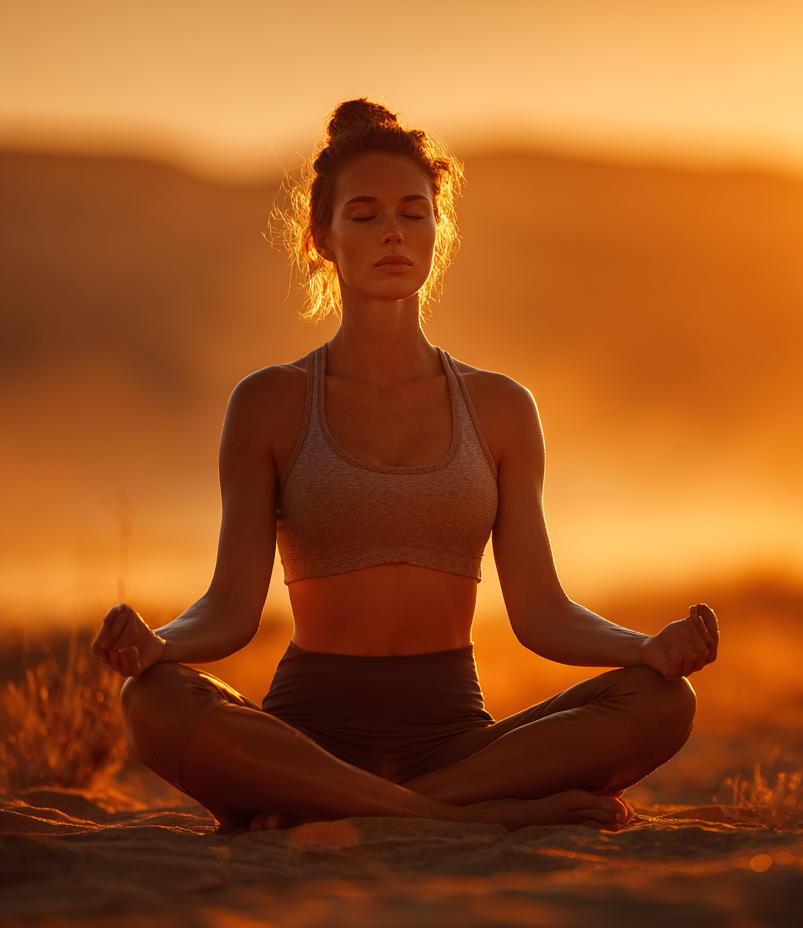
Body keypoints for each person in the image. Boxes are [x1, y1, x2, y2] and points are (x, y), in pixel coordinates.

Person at [92, 99, 719, 833]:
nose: (393, 231)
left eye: (413, 212)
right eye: (363, 214)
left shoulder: (501, 406)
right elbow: (229, 609)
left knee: (663, 699)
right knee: (151, 701)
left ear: (437, 231)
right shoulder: (271, 401)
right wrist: (158, 643)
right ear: (321, 238)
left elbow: (543, 613)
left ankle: (371, 809)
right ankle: (468, 819)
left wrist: (649, 647)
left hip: (455, 744)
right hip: (302, 741)